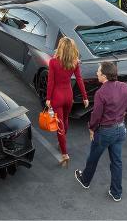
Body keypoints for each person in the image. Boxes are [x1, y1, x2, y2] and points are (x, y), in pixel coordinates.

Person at [75, 62, 127, 202]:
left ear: (104, 76)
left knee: (93, 158)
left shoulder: (101, 93)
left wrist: (91, 128)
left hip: (105, 132)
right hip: (120, 129)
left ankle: (85, 180)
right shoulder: (124, 86)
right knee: (116, 161)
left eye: (98, 71)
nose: (96, 73)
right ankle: (116, 193)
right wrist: (126, 112)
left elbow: (96, 115)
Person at [45, 37, 89, 167]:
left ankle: (64, 153)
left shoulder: (53, 62)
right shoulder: (75, 62)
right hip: (68, 96)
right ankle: (62, 141)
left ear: (60, 48)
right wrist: (85, 97)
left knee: (60, 127)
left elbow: (51, 82)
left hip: (57, 97)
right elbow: (80, 79)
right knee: (65, 120)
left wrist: (48, 98)